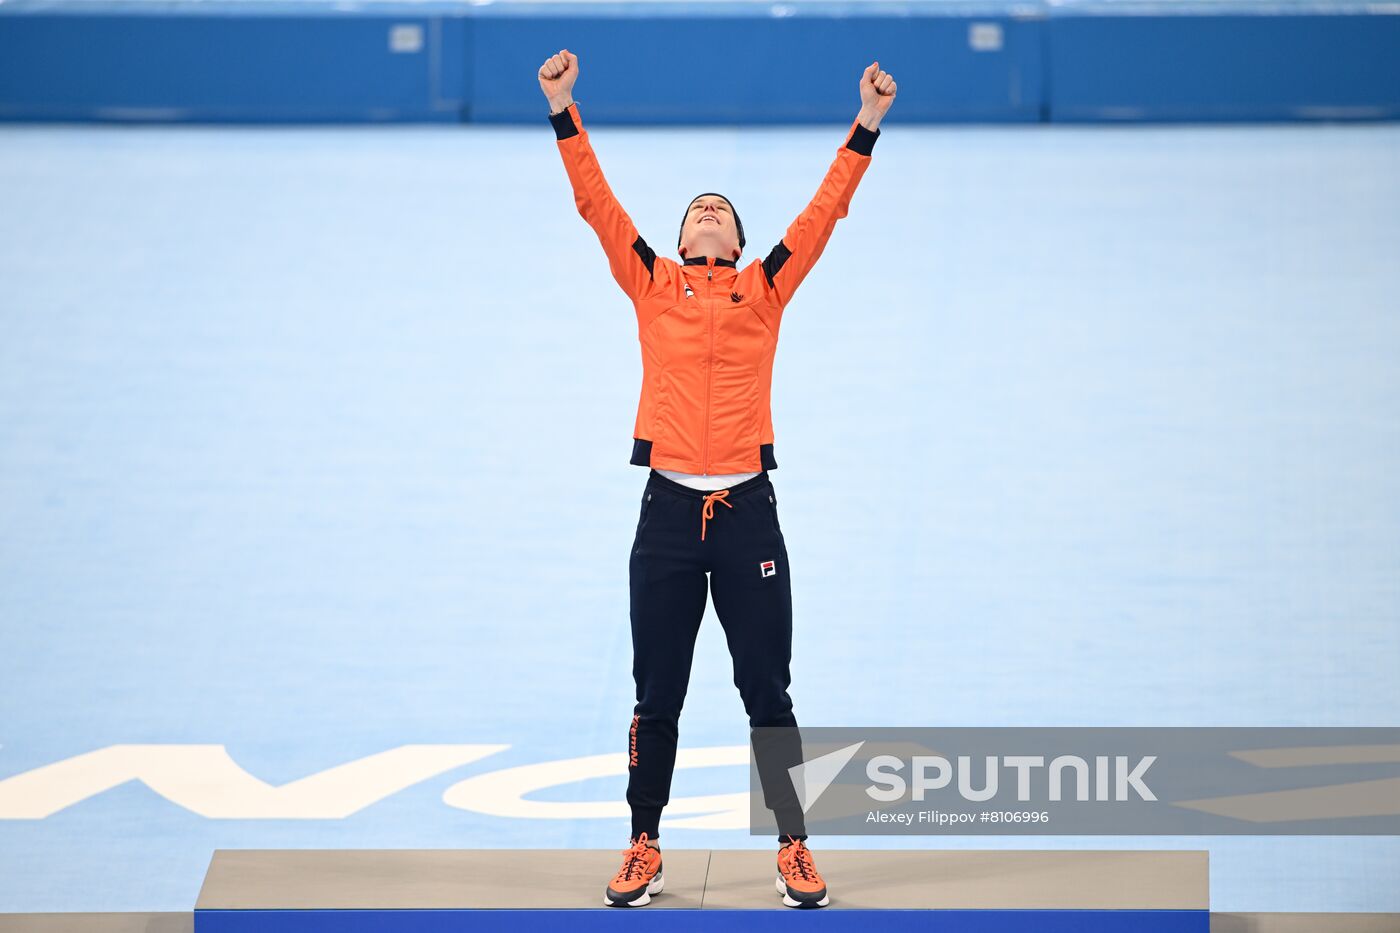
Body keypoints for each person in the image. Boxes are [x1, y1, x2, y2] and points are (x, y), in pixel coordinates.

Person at [537, 47, 895, 909]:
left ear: (735, 243)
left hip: (746, 517)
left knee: (768, 693)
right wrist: (562, 108)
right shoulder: (650, 280)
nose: (705, 213)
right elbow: (595, 201)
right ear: (681, 235)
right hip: (665, 513)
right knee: (655, 694)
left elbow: (823, 212)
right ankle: (644, 843)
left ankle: (795, 846)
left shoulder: (765, 289)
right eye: (696, 208)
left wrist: (867, 124)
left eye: (719, 211)